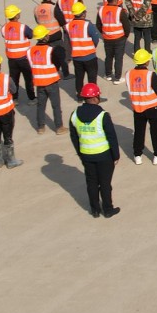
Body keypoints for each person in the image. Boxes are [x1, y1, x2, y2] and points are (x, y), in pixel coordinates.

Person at [68, 84, 120, 216]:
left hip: (86, 155)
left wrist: (80, 153)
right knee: (105, 183)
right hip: (104, 155)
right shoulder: (102, 116)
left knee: (91, 183)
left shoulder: (74, 115)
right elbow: (112, 137)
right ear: (96, 97)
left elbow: (74, 137)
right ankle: (108, 209)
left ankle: (95, 209)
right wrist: (116, 155)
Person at [124, 48, 157, 165]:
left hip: (137, 107)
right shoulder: (150, 75)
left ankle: (137, 154)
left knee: (139, 131)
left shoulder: (128, 74)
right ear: (146, 62)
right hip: (151, 107)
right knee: (155, 132)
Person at [27, 25, 66, 133]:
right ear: (45, 37)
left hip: (39, 83)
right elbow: (56, 63)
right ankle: (59, 127)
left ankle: (40, 127)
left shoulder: (30, 51)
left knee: (41, 106)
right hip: (51, 82)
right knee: (56, 106)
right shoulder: (50, 50)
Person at [98, 0, 128, 84]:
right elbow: (126, 26)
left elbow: (98, 25)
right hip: (119, 38)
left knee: (109, 56)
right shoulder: (120, 11)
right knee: (118, 58)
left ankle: (108, 75)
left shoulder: (101, 10)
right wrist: (125, 36)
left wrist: (105, 33)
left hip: (107, 38)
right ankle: (118, 77)